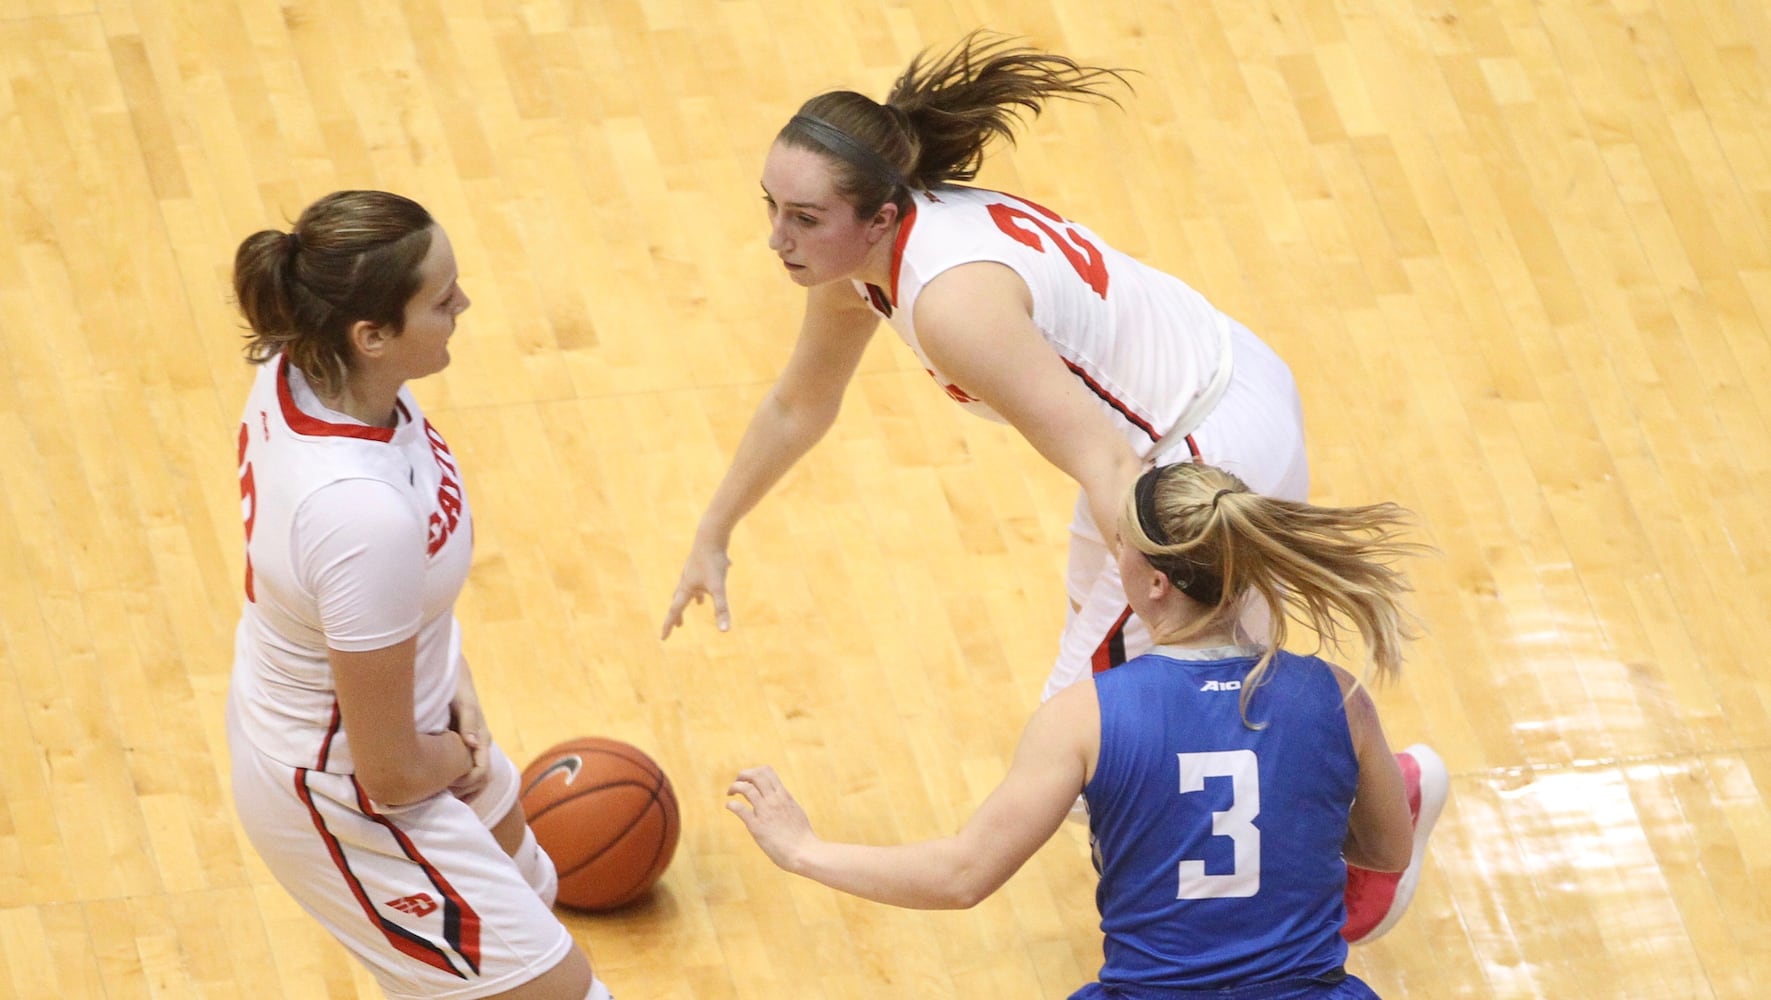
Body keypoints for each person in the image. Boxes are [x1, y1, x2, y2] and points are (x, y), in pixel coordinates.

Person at [661, 32, 1440, 941]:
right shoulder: (864, 259)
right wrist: (714, 528)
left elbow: (1109, 469)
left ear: (878, 216)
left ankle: (1352, 841)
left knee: (1102, 737)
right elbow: (801, 403)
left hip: (1192, 444)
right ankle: (1365, 801)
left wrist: (1184, 609)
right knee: (1144, 690)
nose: (777, 238)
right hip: (1179, 403)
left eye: (803, 218)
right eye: (772, 208)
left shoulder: (951, 303)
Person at [728, 461, 1449, 998]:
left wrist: (803, 849)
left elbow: (960, 877)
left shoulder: (1086, 715)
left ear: (1155, 584)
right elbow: (1386, 850)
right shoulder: (1338, 696)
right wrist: (1295, 823)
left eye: (1119, 546)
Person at [225, 191, 610, 1000]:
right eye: (441, 300)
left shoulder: (312, 365)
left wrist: (452, 695)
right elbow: (391, 771)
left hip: (408, 720)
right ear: (371, 335)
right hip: (349, 797)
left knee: (532, 903)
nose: (463, 304)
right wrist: (461, 754)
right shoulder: (355, 510)